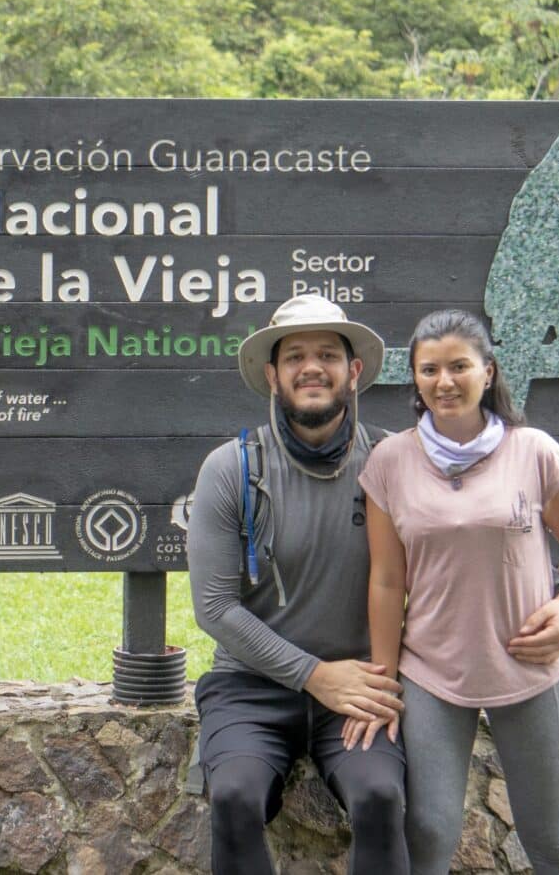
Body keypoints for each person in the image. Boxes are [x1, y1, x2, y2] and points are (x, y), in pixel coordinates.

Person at [351, 308, 559, 874]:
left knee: (555, 843)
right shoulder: (390, 461)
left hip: (530, 668)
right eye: (429, 369)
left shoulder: (534, 451)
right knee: (428, 834)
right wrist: (385, 679)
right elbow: (388, 580)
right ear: (414, 379)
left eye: (459, 366)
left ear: (488, 372)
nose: (445, 381)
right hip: (432, 674)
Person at [186, 294, 410, 875]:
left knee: (381, 798)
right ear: (272, 375)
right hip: (251, 686)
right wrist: (314, 675)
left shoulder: (392, 462)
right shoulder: (232, 467)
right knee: (234, 797)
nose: (312, 367)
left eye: (327, 355)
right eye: (295, 357)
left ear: (353, 370)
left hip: (359, 687)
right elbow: (213, 607)